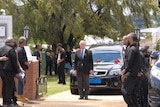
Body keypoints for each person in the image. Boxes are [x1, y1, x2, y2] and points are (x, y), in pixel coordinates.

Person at [121, 33, 142, 107]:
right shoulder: (132, 48)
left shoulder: (133, 49)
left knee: (126, 91)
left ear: (131, 39)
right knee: (132, 93)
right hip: (133, 73)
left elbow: (130, 62)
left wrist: (124, 71)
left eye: (128, 38)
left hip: (131, 73)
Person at [0, 38, 19, 107]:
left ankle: (4, 102)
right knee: (9, 86)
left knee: (4, 86)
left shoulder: (1, 48)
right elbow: (14, 62)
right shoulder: (11, 50)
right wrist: (16, 71)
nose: (14, 43)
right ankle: (8, 102)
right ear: (10, 43)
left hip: (1, 70)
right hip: (9, 70)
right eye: (13, 42)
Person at [17, 37, 29, 102]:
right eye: (25, 41)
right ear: (23, 42)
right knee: (21, 81)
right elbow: (21, 59)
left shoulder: (20, 48)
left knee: (23, 81)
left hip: (22, 67)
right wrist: (26, 63)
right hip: (21, 68)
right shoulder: (20, 49)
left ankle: (21, 95)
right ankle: (19, 95)